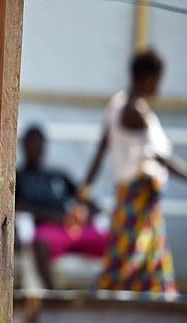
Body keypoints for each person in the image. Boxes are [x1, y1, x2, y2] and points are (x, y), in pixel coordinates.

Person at [80, 50, 187, 295]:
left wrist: (83, 190)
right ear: (148, 78)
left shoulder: (117, 104)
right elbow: (161, 157)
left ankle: (152, 306)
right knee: (126, 259)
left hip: (140, 199)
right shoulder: (133, 110)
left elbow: (101, 150)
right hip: (137, 197)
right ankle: (97, 304)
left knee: (149, 261)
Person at [16, 126, 108, 289]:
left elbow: (88, 200)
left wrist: (84, 213)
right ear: (23, 145)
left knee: (116, 242)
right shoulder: (17, 177)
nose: (35, 147)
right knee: (40, 245)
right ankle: (53, 298)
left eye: (39, 143)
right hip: (48, 230)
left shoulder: (58, 175)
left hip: (75, 227)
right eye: (31, 143)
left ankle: (108, 293)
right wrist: (53, 217)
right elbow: (14, 207)